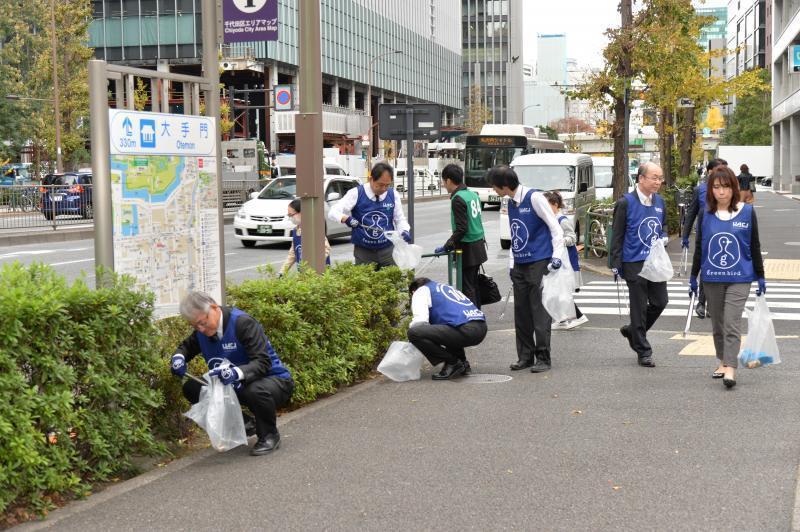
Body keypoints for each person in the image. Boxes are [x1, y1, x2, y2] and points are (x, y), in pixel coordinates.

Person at [170, 292, 294, 456]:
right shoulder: (202, 331)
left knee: (255, 390)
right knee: (192, 388)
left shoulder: (242, 323)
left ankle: (269, 436)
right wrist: (178, 358)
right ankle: (244, 424)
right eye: (195, 326)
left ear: (214, 308)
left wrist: (236, 372)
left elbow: (263, 362)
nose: (200, 329)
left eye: (202, 322)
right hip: (236, 385)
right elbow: (186, 347)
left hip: (273, 381)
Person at [690, 166, 765, 389]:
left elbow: (754, 245)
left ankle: (731, 368)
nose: (721, 192)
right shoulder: (706, 214)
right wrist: (693, 276)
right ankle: (722, 360)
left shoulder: (747, 212)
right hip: (712, 277)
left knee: (731, 323)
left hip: (740, 276)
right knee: (718, 324)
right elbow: (700, 248)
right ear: (710, 190)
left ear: (733, 188)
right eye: (716, 187)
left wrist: (761, 276)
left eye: (725, 187)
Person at [489, 165, 565, 373]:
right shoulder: (510, 202)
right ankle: (525, 356)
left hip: (539, 261)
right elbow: (516, 236)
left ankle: (543, 357)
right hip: (520, 264)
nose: (493, 190)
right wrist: (512, 265)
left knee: (539, 312)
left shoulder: (534, 198)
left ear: (505, 186)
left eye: (495, 186)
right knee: (521, 312)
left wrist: (556, 257)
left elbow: (555, 228)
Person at [610, 162, 669, 368]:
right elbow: (616, 235)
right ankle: (643, 351)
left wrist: (664, 236)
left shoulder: (660, 201)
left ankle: (632, 331)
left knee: (660, 301)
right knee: (638, 308)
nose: (658, 182)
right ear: (641, 179)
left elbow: (663, 225)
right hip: (633, 261)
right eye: (654, 177)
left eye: (660, 178)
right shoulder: (625, 202)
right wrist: (615, 263)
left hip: (654, 262)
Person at [328, 162, 410, 269]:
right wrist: (346, 218)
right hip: (363, 251)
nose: (384, 189)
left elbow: (399, 219)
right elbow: (333, 212)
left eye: (387, 185)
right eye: (380, 185)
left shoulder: (393, 194)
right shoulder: (356, 193)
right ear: (371, 179)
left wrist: (404, 230)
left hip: (388, 250)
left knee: (391, 282)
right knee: (366, 283)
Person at [407, 277, 488, 380]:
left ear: (413, 291)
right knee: (446, 328)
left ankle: (452, 362)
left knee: (414, 333)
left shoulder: (420, 291)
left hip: (465, 330)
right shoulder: (446, 288)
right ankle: (462, 362)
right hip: (481, 327)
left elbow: (420, 322)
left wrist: (409, 340)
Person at [434, 164, 488, 308]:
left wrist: (447, 246)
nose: (443, 185)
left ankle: (473, 321)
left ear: (449, 181)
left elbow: (461, 229)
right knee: (474, 285)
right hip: (479, 245)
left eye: (443, 181)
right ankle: (477, 315)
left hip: (467, 248)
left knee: (467, 286)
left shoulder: (457, 199)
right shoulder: (472, 194)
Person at [682, 157, 728, 319]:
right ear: (710, 172)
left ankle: (717, 303)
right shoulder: (700, 190)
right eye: (720, 169)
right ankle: (701, 302)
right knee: (705, 265)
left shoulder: (729, 189)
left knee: (721, 267)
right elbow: (692, 213)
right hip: (705, 234)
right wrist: (685, 235)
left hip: (725, 234)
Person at [544, 190, 588, 330]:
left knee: (561, 292)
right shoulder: (549, 219)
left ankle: (578, 316)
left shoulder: (562, 220)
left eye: (547, 205)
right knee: (555, 291)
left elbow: (572, 238)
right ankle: (562, 319)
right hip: (556, 259)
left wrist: (560, 240)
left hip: (565, 261)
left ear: (555, 204)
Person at [280, 198, 331, 275]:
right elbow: (292, 254)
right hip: (304, 274)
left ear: (302, 212)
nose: (290, 218)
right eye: (289, 215)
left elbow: (326, 249)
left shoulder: (314, 229)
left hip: (318, 275)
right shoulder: (295, 231)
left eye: (291, 215)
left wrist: (314, 268)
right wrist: (282, 272)